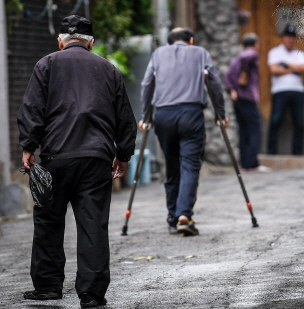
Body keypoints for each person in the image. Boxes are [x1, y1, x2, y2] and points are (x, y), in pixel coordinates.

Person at [17, 15, 137, 308]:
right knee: (93, 224)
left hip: (55, 157)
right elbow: (125, 118)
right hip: (96, 159)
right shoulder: (108, 70)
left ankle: (47, 286)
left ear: (60, 41)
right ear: (91, 43)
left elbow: (32, 108)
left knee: (48, 219)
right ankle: (92, 294)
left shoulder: (46, 64)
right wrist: (123, 155)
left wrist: (29, 145)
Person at [140, 27, 227, 236]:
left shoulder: (158, 54)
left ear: (169, 43)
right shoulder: (200, 53)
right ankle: (184, 216)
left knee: (171, 165)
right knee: (189, 164)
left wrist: (146, 117)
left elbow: (147, 84)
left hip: (164, 115)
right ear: (191, 41)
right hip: (191, 114)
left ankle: (172, 219)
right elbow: (214, 82)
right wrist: (220, 113)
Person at [223, 33, 268, 172]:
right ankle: (252, 164)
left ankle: (246, 164)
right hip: (247, 98)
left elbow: (226, 77)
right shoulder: (250, 54)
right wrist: (243, 73)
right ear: (256, 45)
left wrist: (232, 90)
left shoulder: (236, 59)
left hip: (238, 100)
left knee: (243, 132)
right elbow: (247, 56)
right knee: (255, 131)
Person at [267, 25, 304, 155]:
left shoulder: (300, 53)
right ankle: (272, 151)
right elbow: (274, 70)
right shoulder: (274, 52)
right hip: (280, 90)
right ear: (283, 37)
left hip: (298, 91)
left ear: (294, 39)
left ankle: (297, 152)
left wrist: (285, 65)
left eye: (292, 37)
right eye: (287, 36)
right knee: (275, 120)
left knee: (299, 122)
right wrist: (294, 69)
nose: (289, 39)